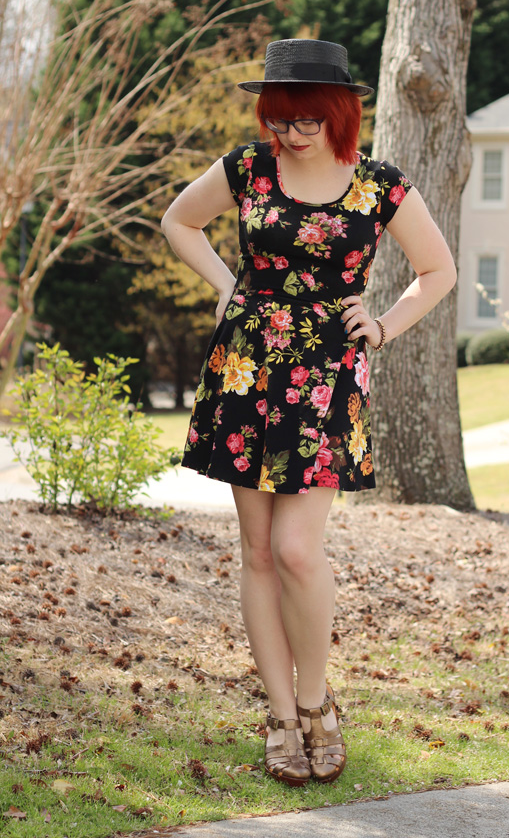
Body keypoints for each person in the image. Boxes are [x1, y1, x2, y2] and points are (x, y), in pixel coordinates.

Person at [161, 38, 457, 787]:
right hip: (246, 372)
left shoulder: (379, 186)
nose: (288, 134)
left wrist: (385, 325)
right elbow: (178, 221)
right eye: (278, 118)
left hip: (327, 379)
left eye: (304, 120)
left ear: (338, 114)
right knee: (257, 551)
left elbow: (438, 270)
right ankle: (281, 717)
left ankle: (318, 701)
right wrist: (230, 286)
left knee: (297, 549)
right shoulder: (245, 170)